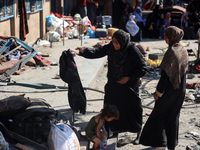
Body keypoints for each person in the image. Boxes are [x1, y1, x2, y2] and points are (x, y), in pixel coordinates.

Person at [71, 29, 147, 145]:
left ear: (123, 42)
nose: (115, 44)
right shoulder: (111, 47)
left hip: (129, 87)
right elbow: (97, 52)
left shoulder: (132, 50)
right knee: (111, 108)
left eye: (117, 42)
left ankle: (138, 133)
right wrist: (79, 52)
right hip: (114, 85)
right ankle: (113, 130)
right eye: (114, 41)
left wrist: (129, 78)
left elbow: (142, 69)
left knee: (134, 109)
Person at [139, 26, 188, 150]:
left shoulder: (171, 52)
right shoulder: (183, 50)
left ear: (171, 37)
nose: (165, 38)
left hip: (169, 91)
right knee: (173, 116)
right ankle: (171, 144)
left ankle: (161, 143)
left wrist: (158, 92)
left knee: (159, 115)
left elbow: (165, 77)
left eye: (166, 36)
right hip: (180, 90)